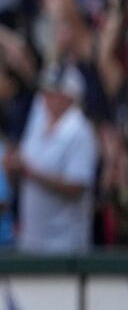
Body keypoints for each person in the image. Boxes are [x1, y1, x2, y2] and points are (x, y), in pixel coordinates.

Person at [7, 63, 99, 253]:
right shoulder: (39, 121)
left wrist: (30, 172)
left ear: (69, 96)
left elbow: (77, 186)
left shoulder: (80, 131)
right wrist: (13, 167)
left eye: (52, 93)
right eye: (45, 92)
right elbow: (23, 165)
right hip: (31, 240)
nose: (45, 98)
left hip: (65, 244)